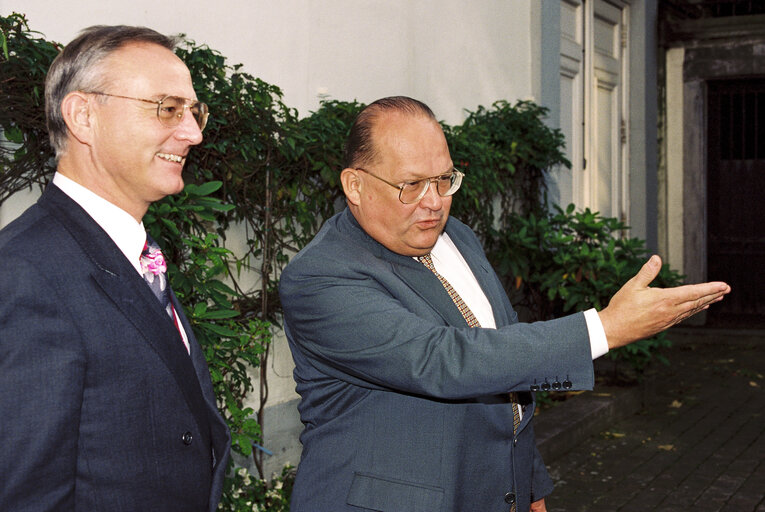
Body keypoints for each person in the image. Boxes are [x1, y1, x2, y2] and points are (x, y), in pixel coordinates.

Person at [278, 96, 730, 512]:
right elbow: (445, 361)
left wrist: (528, 482)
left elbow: (506, 358)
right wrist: (604, 328)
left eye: (444, 179)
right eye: (412, 184)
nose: (434, 202)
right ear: (355, 185)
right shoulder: (321, 278)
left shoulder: (457, 237)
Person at [0, 26, 230, 511]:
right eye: (167, 108)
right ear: (83, 115)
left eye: (194, 111)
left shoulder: (128, 252)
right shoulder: (24, 273)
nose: (193, 132)